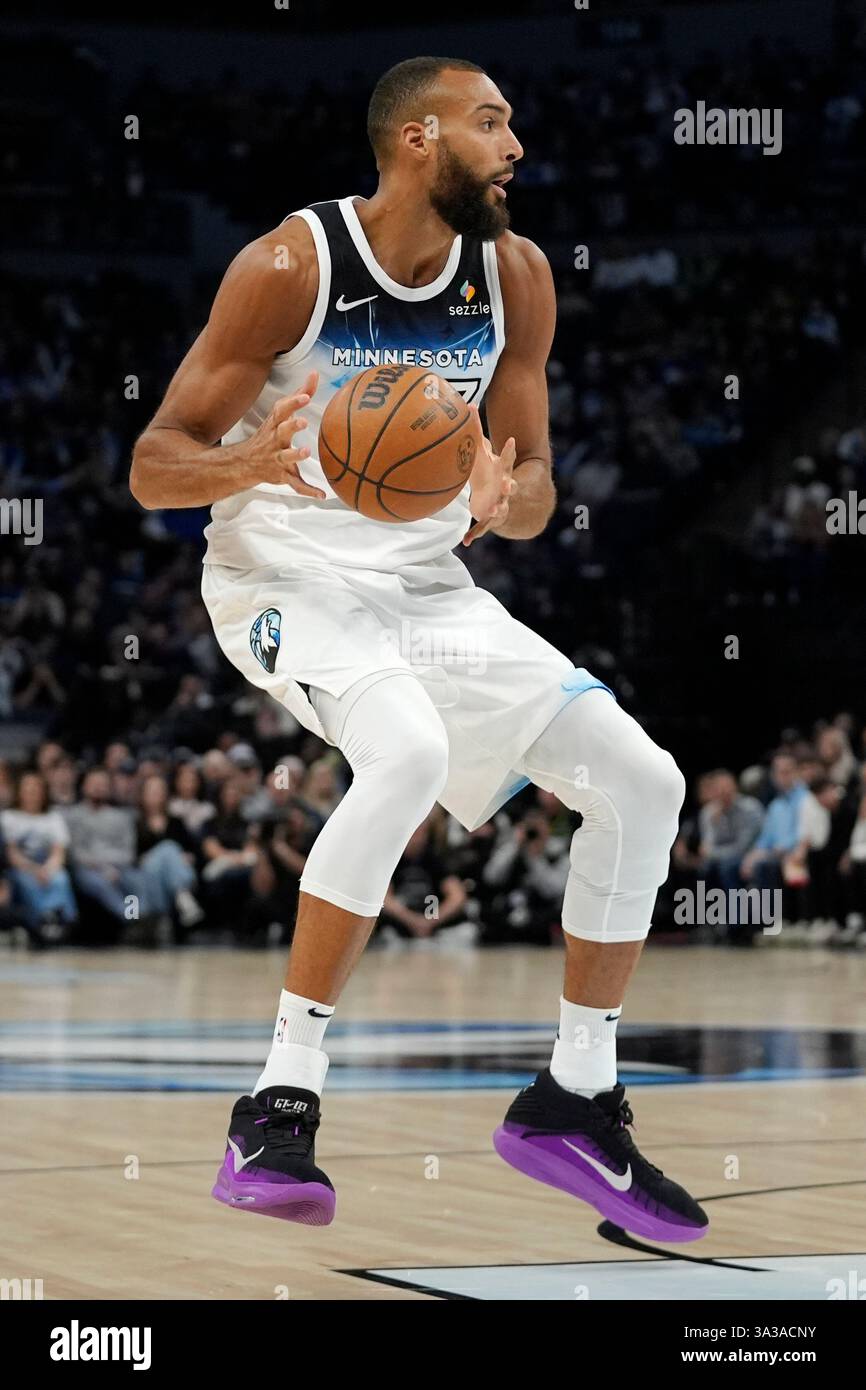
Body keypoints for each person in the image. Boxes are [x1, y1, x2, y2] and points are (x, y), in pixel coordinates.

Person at [131, 57, 703, 1242]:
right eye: (491, 122)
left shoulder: (517, 275)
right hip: (279, 574)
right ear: (415, 137)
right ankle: (277, 1098)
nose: (515, 146)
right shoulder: (290, 267)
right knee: (400, 752)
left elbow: (536, 485)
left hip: (427, 586)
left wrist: (510, 497)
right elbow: (152, 464)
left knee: (645, 783)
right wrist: (248, 462)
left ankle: (574, 1097)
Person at [0, 771, 78, 943]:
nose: (32, 793)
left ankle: (61, 920)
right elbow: (12, 854)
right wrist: (35, 870)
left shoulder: (53, 817)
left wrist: (48, 869)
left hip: (48, 865)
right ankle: (42, 921)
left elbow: (58, 852)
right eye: (27, 788)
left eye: (36, 788)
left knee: (60, 879)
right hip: (21, 867)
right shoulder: (8, 817)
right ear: (19, 792)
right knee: (28, 881)